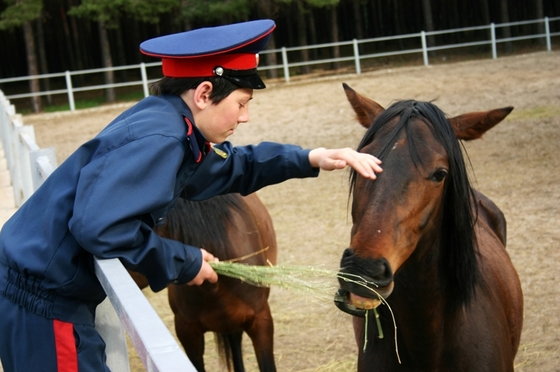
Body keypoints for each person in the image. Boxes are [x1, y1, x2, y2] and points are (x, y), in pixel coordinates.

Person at [0, 19, 382, 371]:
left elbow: (234, 166)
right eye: (242, 104)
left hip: (45, 290)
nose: (244, 116)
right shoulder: (163, 139)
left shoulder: (169, 124)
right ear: (203, 93)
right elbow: (98, 226)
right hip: (44, 302)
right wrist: (183, 260)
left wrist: (311, 158)